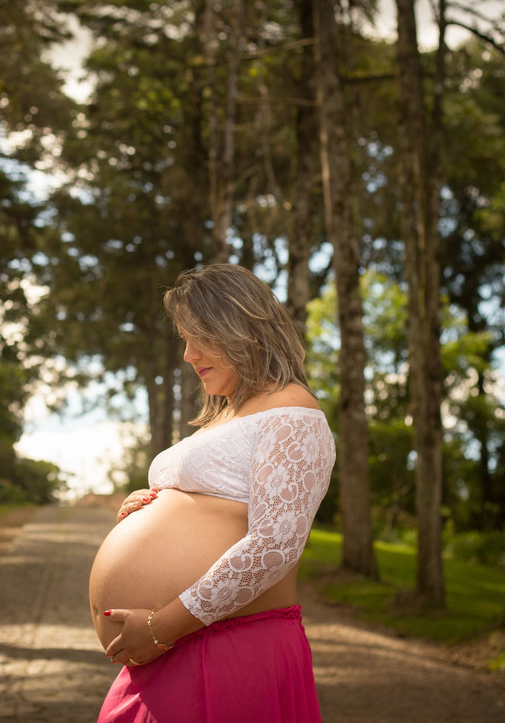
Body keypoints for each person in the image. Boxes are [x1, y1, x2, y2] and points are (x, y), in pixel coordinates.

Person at [90, 263, 335, 723]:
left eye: (197, 337)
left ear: (239, 328)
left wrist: (161, 629)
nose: (187, 355)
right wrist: (151, 503)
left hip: (228, 644)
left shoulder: (294, 412)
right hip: (182, 645)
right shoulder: (229, 415)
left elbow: (274, 547)